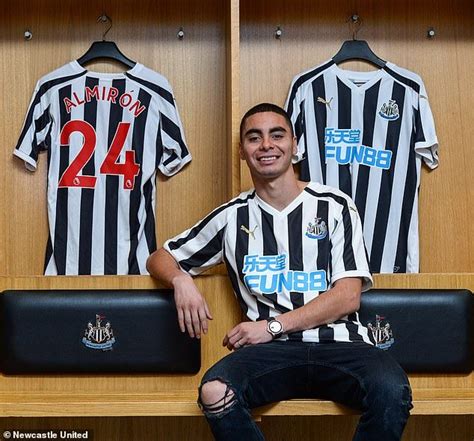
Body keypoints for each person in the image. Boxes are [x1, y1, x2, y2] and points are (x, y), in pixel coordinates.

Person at [146, 103, 412, 441]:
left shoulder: (334, 205)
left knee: (392, 390)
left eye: (277, 135)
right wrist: (181, 279)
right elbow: (159, 258)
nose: (266, 145)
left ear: (295, 145)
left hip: (342, 346)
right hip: (270, 355)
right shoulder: (232, 217)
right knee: (214, 391)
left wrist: (272, 326)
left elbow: (347, 296)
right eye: (254, 138)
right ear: (243, 152)